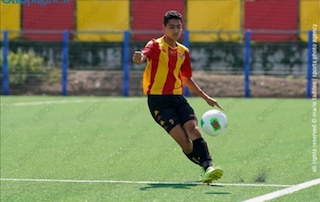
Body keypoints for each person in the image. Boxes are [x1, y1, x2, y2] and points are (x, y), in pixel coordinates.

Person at [132, 10, 223, 184]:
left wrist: (206, 97)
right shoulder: (155, 45)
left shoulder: (183, 51)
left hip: (178, 99)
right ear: (164, 28)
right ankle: (204, 167)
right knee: (186, 144)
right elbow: (142, 56)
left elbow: (186, 79)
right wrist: (138, 58)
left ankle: (209, 167)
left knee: (193, 129)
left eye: (178, 27)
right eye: (171, 27)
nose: (175, 30)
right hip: (158, 101)